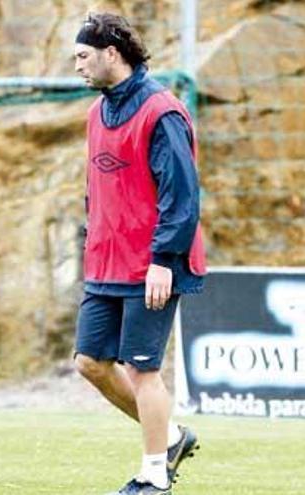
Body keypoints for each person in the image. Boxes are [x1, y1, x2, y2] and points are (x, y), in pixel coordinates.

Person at [72, 12, 207, 495]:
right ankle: (169, 438)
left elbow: (182, 196)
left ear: (112, 54)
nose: (77, 66)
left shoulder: (161, 111)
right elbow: (99, 191)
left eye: (83, 56)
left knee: (142, 369)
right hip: (106, 264)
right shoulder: (95, 113)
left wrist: (163, 261)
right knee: (89, 362)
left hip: (151, 264)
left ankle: (154, 476)